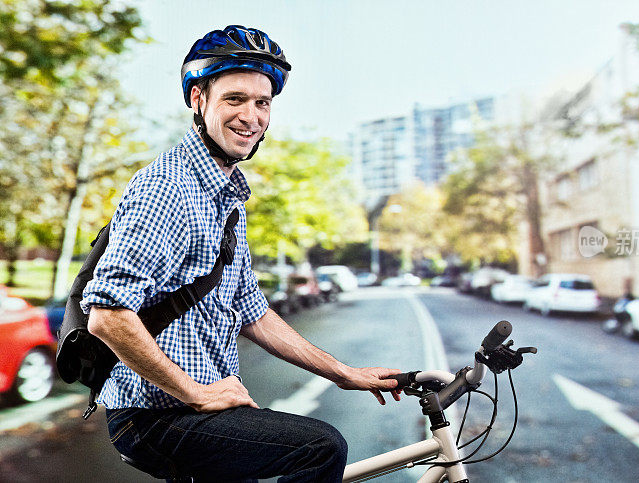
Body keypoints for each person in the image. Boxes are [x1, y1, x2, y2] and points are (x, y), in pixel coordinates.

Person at [82, 25, 401, 482]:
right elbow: (108, 315)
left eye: (262, 102)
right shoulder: (167, 187)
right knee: (320, 448)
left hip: (195, 410)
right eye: (234, 99)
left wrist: (343, 373)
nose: (251, 116)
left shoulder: (226, 197)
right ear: (199, 100)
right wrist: (195, 394)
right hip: (156, 415)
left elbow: (251, 311)